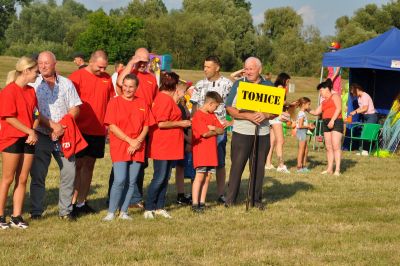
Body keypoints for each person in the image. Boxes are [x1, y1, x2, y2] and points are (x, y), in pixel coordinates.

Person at [30, 51, 82, 220]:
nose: (43, 66)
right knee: (38, 175)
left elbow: (75, 107)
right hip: (42, 135)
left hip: (64, 135)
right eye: (40, 63)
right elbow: (34, 111)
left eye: (46, 63)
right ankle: (36, 211)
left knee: (69, 172)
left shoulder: (67, 83)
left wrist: (62, 125)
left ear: (54, 63)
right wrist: (52, 125)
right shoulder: (34, 84)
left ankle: (65, 211)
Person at [225, 57, 275, 209]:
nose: (248, 71)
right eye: (246, 68)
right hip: (242, 132)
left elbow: (276, 111)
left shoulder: (269, 86)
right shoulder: (239, 84)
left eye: (251, 68)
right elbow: (229, 108)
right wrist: (247, 115)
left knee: (258, 168)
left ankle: (255, 200)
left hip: (262, 133)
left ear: (259, 69)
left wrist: (266, 115)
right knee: (237, 166)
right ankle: (230, 200)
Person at [69, 50, 114, 215]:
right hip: (80, 129)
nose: (102, 71)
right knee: (77, 166)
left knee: (89, 166)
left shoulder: (107, 79)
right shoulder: (77, 77)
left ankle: (82, 202)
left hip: (98, 130)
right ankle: (71, 203)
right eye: (99, 67)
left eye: (104, 67)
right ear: (91, 61)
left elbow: (111, 101)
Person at [103, 74, 152, 221]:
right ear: (121, 85)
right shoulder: (114, 102)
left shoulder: (142, 103)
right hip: (120, 145)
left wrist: (137, 141)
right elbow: (112, 125)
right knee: (120, 180)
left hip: (138, 146)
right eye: (125, 86)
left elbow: (147, 125)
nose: (128, 89)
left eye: (131, 86)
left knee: (132, 181)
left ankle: (124, 211)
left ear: (136, 88)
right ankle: (111, 212)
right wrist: (129, 140)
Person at [144, 72, 191, 219]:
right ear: (175, 85)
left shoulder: (167, 99)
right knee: (159, 177)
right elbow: (161, 123)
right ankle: (149, 207)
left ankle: (159, 206)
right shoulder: (163, 99)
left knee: (165, 177)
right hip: (162, 144)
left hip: (171, 144)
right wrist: (181, 123)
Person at [116, 47, 158, 209]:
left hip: (144, 125)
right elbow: (120, 82)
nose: (142, 65)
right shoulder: (129, 74)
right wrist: (132, 63)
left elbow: (154, 100)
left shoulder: (152, 78)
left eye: (145, 62)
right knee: (121, 163)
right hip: (126, 125)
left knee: (140, 163)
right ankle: (117, 197)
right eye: (139, 61)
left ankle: (135, 197)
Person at [0, 56, 38, 229]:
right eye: (35, 72)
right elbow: (9, 117)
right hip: (12, 139)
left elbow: (36, 115)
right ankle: (1, 217)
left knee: (22, 179)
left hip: (29, 139)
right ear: (26, 71)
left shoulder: (31, 91)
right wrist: (29, 131)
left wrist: (33, 131)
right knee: (7, 179)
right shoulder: (8, 91)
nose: (37, 75)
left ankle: (16, 216)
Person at [190, 55, 232, 204]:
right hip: (201, 129)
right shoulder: (200, 84)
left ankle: (220, 194)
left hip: (218, 128)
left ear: (217, 68)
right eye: (204, 66)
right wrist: (193, 125)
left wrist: (231, 121)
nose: (205, 69)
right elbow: (194, 105)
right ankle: (197, 196)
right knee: (200, 163)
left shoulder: (227, 84)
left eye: (208, 67)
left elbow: (234, 104)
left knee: (219, 162)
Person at [191, 91, 224, 213]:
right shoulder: (198, 116)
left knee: (208, 176)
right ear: (210, 103)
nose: (216, 109)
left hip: (211, 153)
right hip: (201, 152)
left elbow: (221, 130)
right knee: (199, 176)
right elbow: (204, 133)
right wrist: (212, 130)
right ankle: (195, 203)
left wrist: (213, 128)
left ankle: (202, 202)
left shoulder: (213, 115)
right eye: (216, 106)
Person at [309, 80, 343, 176]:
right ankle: (329, 169)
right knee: (328, 147)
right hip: (325, 122)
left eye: (321, 91)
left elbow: (339, 108)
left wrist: (332, 120)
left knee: (336, 145)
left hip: (336, 121)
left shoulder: (335, 96)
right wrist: (306, 108)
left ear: (327, 89)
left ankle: (337, 170)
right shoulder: (323, 102)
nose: (320, 93)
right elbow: (316, 112)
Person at [265, 72, 291, 173]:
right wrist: (290, 104)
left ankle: (268, 163)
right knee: (280, 141)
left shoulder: (275, 87)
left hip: (272, 116)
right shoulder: (280, 88)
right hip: (276, 116)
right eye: (287, 81)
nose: (288, 83)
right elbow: (279, 101)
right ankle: (281, 165)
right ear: (283, 79)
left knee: (272, 142)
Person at [295, 97, 315, 173]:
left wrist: (308, 125)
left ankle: (304, 166)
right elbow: (299, 126)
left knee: (306, 150)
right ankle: (299, 167)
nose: (309, 106)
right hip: (301, 132)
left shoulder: (303, 113)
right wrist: (308, 126)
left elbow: (302, 124)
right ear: (303, 104)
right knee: (301, 150)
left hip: (303, 132)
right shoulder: (301, 113)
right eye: (308, 104)